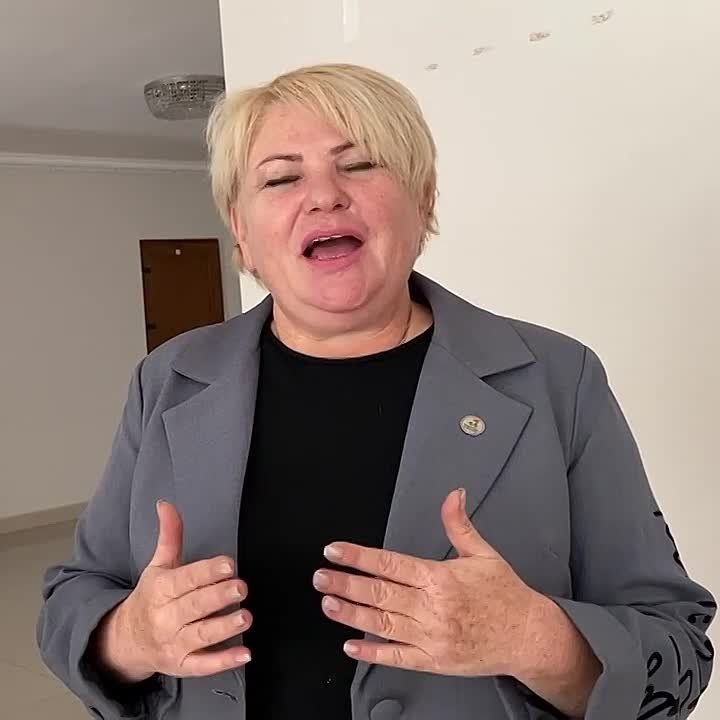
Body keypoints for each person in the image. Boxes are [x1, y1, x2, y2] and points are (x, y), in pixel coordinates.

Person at [38, 63, 715, 720]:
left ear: (423, 200)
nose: (324, 196)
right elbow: (74, 597)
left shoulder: (558, 379)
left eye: (360, 164)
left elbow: (678, 650)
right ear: (241, 231)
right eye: (281, 177)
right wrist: (130, 636)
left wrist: (534, 638)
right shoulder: (167, 379)